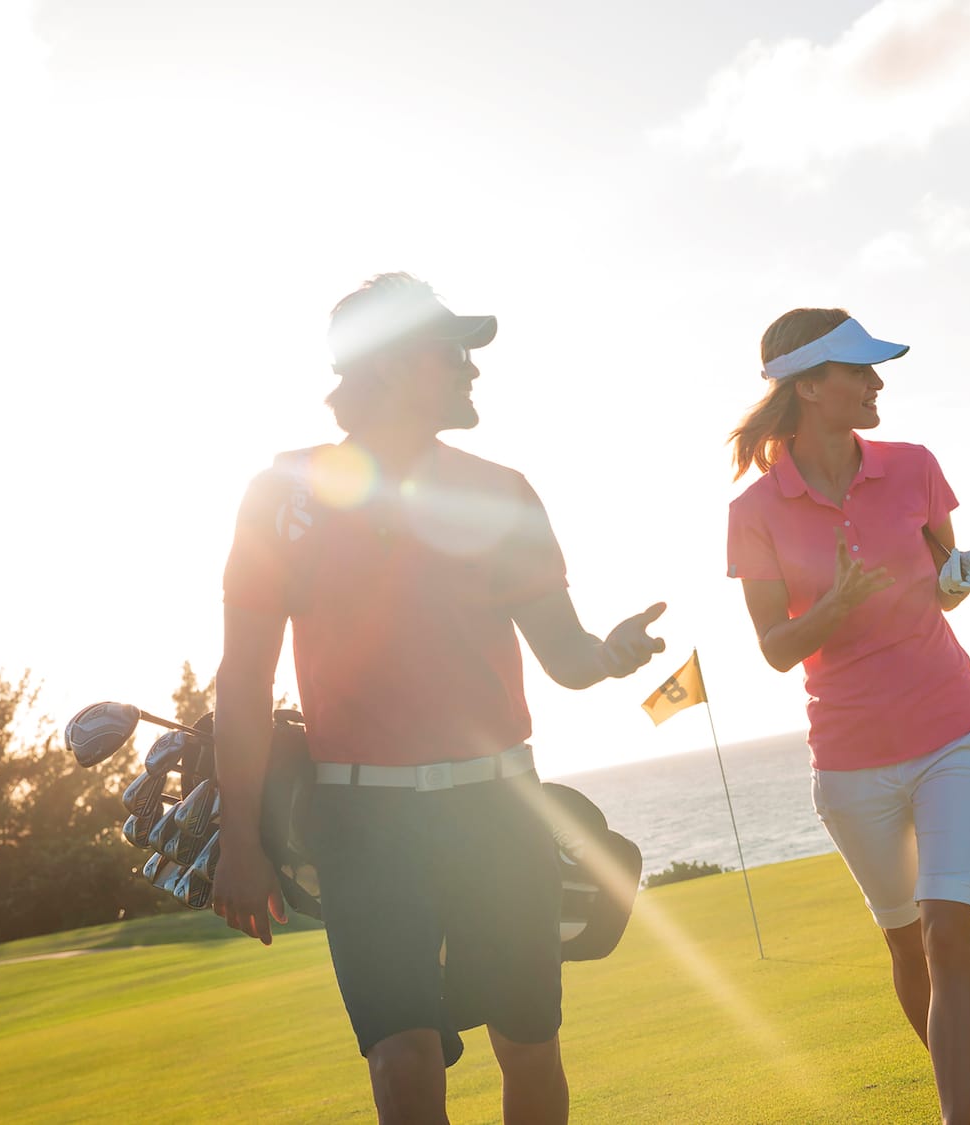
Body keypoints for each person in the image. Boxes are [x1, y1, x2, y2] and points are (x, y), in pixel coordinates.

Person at [209, 272, 668, 1125]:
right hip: (364, 822)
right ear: (387, 366)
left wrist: (610, 653)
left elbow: (565, 657)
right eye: (452, 352)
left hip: (500, 807)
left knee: (529, 1042)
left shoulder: (503, 491)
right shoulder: (283, 495)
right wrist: (239, 841)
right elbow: (241, 681)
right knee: (403, 1055)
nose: (473, 371)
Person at [725, 308, 970, 1125]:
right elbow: (778, 647)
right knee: (907, 942)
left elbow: (941, 575)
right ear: (810, 385)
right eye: (859, 370)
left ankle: (957, 1117)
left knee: (949, 930)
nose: (877, 382)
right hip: (850, 758)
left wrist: (956, 580)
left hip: (951, 729)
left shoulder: (914, 465)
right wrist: (837, 605)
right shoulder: (755, 511)